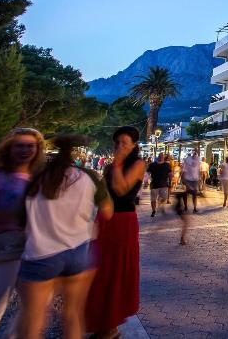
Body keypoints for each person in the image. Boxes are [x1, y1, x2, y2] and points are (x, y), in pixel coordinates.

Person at [17, 135, 113, 339]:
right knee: (73, 315)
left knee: (34, 319)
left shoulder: (36, 177)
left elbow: (21, 217)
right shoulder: (89, 176)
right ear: (76, 153)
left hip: (41, 254)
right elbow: (107, 211)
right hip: (79, 252)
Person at [0, 128, 46, 338]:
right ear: (8, 148)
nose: (25, 150)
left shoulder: (38, 178)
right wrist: (25, 214)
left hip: (30, 250)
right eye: (19, 145)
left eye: (30, 146)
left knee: (34, 308)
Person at [85, 126, 145, 338]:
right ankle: (102, 322)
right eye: (117, 143)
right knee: (100, 269)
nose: (119, 147)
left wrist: (117, 163)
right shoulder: (112, 166)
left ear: (134, 146)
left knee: (115, 270)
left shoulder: (138, 164)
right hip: (106, 220)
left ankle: (111, 326)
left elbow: (121, 189)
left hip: (123, 222)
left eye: (124, 143)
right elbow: (103, 193)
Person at [181, 149, 202, 213]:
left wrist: (200, 178)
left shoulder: (198, 159)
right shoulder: (188, 159)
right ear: (193, 152)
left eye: (196, 152)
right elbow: (183, 169)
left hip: (195, 179)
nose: (195, 153)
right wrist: (182, 178)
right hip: (188, 179)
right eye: (195, 152)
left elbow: (199, 170)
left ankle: (194, 208)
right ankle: (185, 206)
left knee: (194, 194)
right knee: (186, 193)